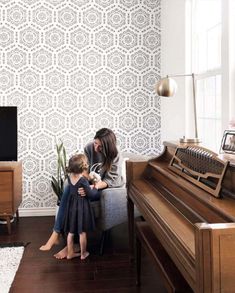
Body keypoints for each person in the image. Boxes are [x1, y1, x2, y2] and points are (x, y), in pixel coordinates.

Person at [40, 128, 124, 258]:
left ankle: (65, 242)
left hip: (107, 187)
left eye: (99, 146)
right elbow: (84, 171)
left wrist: (90, 188)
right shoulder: (89, 148)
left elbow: (110, 180)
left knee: (76, 193)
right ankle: (57, 234)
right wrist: (82, 183)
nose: (95, 148)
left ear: (107, 146)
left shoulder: (115, 154)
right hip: (90, 183)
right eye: (95, 143)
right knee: (69, 190)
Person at [63, 153, 97, 260]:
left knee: (71, 232)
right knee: (82, 232)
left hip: (71, 207)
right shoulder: (83, 181)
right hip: (82, 208)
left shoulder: (69, 178)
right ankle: (83, 254)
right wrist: (95, 186)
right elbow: (91, 195)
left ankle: (70, 253)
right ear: (84, 167)